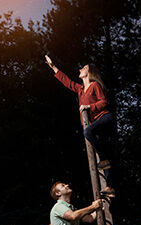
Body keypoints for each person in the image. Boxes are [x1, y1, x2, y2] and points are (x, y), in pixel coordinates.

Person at [44, 55, 115, 191]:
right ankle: (110, 187)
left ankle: (105, 162)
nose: (80, 69)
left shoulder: (95, 85)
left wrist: (89, 107)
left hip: (104, 118)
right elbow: (67, 82)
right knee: (101, 153)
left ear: (89, 72)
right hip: (94, 124)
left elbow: (104, 102)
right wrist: (53, 66)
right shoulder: (80, 89)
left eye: (84, 68)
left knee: (88, 133)